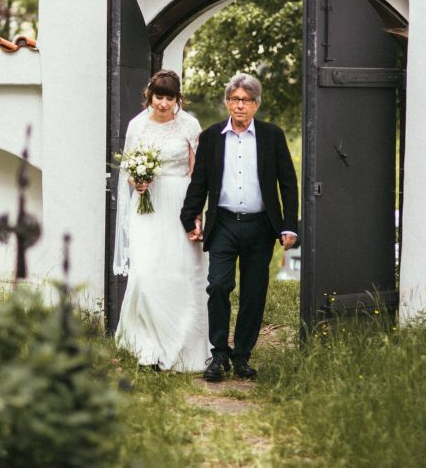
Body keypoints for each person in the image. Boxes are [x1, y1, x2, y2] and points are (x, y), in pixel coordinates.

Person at [180, 72, 298, 381]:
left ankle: (242, 356)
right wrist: (189, 215)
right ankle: (219, 354)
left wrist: (289, 226)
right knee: (218, 285)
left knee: (253, 292)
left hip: (260, 226)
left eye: (246, 100)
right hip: (224, 223)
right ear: (226, 103)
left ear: (256, 104)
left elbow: (288, 183)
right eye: (234, 100)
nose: (240, 106)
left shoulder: (272, 136)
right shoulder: (212, 137)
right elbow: (200, 181)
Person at [113, 69, 211, 371]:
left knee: (182, 272)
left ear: (177, 98)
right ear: (150, 96)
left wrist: (197, 213)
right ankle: (147, 344)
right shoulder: (137, 126)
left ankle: (184, 345)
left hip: (180, 202)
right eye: (159, 97)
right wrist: (137, 183)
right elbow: (129, 170)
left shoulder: (190, 125)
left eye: (170, 98)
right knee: (144, 272)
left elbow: (197, 173)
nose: (164, 104)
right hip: (148, 205)